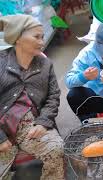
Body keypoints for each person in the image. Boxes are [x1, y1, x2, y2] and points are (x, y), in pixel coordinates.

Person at [0, 15, 64, 180]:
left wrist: (43, 122)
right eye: (37, 37)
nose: (42, 42)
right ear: (18, 37)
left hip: (31, 127)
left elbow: (53, 96)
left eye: (42, 37)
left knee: (56, 148)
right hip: (2, 126)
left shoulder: (45, 65)